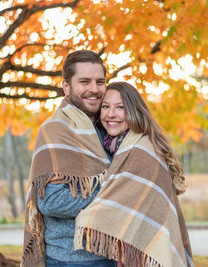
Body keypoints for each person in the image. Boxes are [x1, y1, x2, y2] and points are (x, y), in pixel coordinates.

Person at [75, 82, 194, 267]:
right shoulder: (117, 146)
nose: (111, 114)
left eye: (120, 107)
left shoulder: (140, 149)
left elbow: (128, 201)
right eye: (105, 106)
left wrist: (90, 215)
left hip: (147, 251)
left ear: (134, 111)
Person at [21, 50, 116, 267]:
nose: (94, 89)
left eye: (100, 82)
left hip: (114, 254)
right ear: (66, 86)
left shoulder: (111, 131)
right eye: (84, 81)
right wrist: (116, 195)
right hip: (72, 259)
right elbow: (50, 201)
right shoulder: (54, 131)